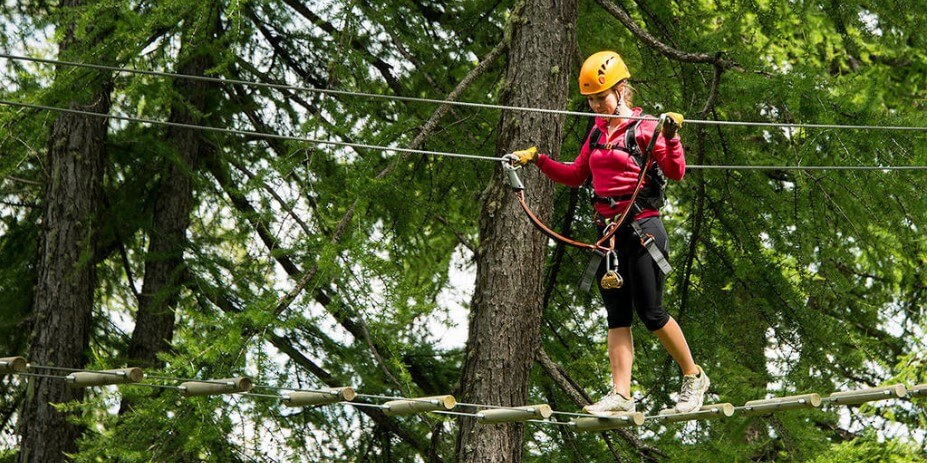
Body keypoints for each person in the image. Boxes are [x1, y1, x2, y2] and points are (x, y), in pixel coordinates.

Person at [511, 51, 709, 415]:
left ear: (621, 90)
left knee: (650, 313)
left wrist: (672, 136)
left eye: (602, 96)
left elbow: (676, 171)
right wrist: (537, 161)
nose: (597, 105)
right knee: (617, 316)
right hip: (608, 236)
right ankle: (621, 395)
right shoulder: (597, 133)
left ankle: (693, 377)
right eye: (591, 99)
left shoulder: (646, 127)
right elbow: (575, 175)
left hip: (643, 230)